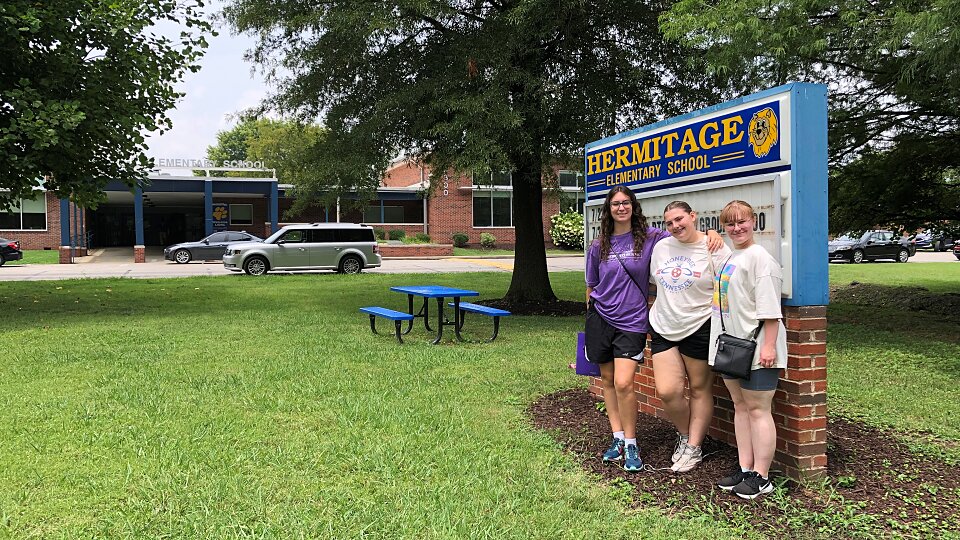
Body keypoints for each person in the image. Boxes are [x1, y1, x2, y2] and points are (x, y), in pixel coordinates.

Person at [585, 188, 722, 472]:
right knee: (608, 381)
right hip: (600, 318)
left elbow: (684, 237)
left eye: (626, 203)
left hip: (633, 320)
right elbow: (591, 286)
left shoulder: (652, 239)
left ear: (634, 207)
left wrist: (713, 234)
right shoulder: (598, 246)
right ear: (608, 209)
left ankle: (633, 444)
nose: (621, 207)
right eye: (615, 204)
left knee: (624, 383)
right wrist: (589, 320)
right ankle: (618, 438)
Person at [710, 200, 787, 499]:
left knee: (758, 410)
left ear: (754, 222)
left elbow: (771, 310)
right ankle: (745, 469)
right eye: (730, 223)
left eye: (742, 221)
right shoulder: (731, 257)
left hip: (757, 349)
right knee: (740, 408)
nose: (736, 227)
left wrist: (768, 347)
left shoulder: (761, 259)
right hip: (732, 348)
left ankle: (762, 477)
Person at [649, 201, 731, 473]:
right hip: (663, 324)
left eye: (679, 219)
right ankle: (684, 435)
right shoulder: (662, 247)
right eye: (669, 222)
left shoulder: (713, 247)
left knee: (699, 388)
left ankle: (694, 448)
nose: (675, 226)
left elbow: (729, 285)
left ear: (693, 216)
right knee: (668, 390)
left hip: (700, 325)